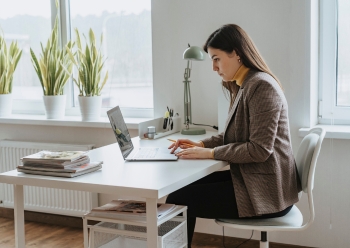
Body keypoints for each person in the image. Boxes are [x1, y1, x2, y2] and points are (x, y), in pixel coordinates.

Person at [166, 24, 301, 247]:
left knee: (179, 199)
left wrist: (209, 153)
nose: (213, 67)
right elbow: (233, 135)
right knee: (180, 191)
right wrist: (200, 143)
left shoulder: (261, 87)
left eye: (216, 58)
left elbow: (259, 149)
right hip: (254, 179)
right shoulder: (243, 85)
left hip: (267, 193)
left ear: (236, 54)